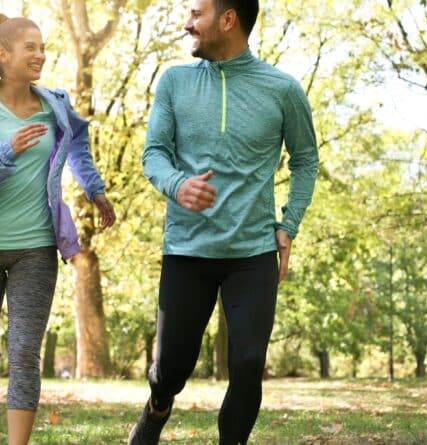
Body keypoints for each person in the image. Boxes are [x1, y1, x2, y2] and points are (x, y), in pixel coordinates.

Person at [127, 0, 318, 443]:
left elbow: (306, 160)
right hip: (187, 249)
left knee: (248, 362)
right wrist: (178, 184)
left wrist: (288, 225)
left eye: (197, 13)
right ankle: (158, 406)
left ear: (228, 20)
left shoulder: (282, 89)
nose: (187, 22)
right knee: (171, 367)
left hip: (252, 253)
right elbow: (154, 152)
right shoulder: (174, 82)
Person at [0, 12, 115, 445]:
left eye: (42, 46)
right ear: (3, 54)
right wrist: (4, 152)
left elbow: (77, 145)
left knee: (26, 352)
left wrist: (95, 189)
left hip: (36, 246)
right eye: (30, 47)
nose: (40, 54)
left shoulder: (55, 104)